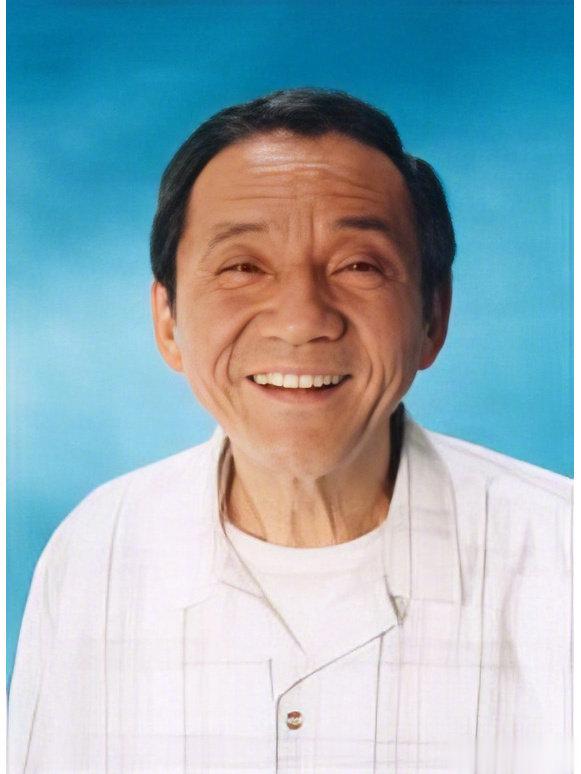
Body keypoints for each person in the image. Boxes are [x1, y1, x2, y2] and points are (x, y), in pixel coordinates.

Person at [8, 88, 572, 773]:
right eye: (243, 267)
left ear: (433, 315)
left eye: (358, 265)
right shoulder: (95, 553)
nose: (302, 320)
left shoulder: (561, 558)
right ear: (168, 320)